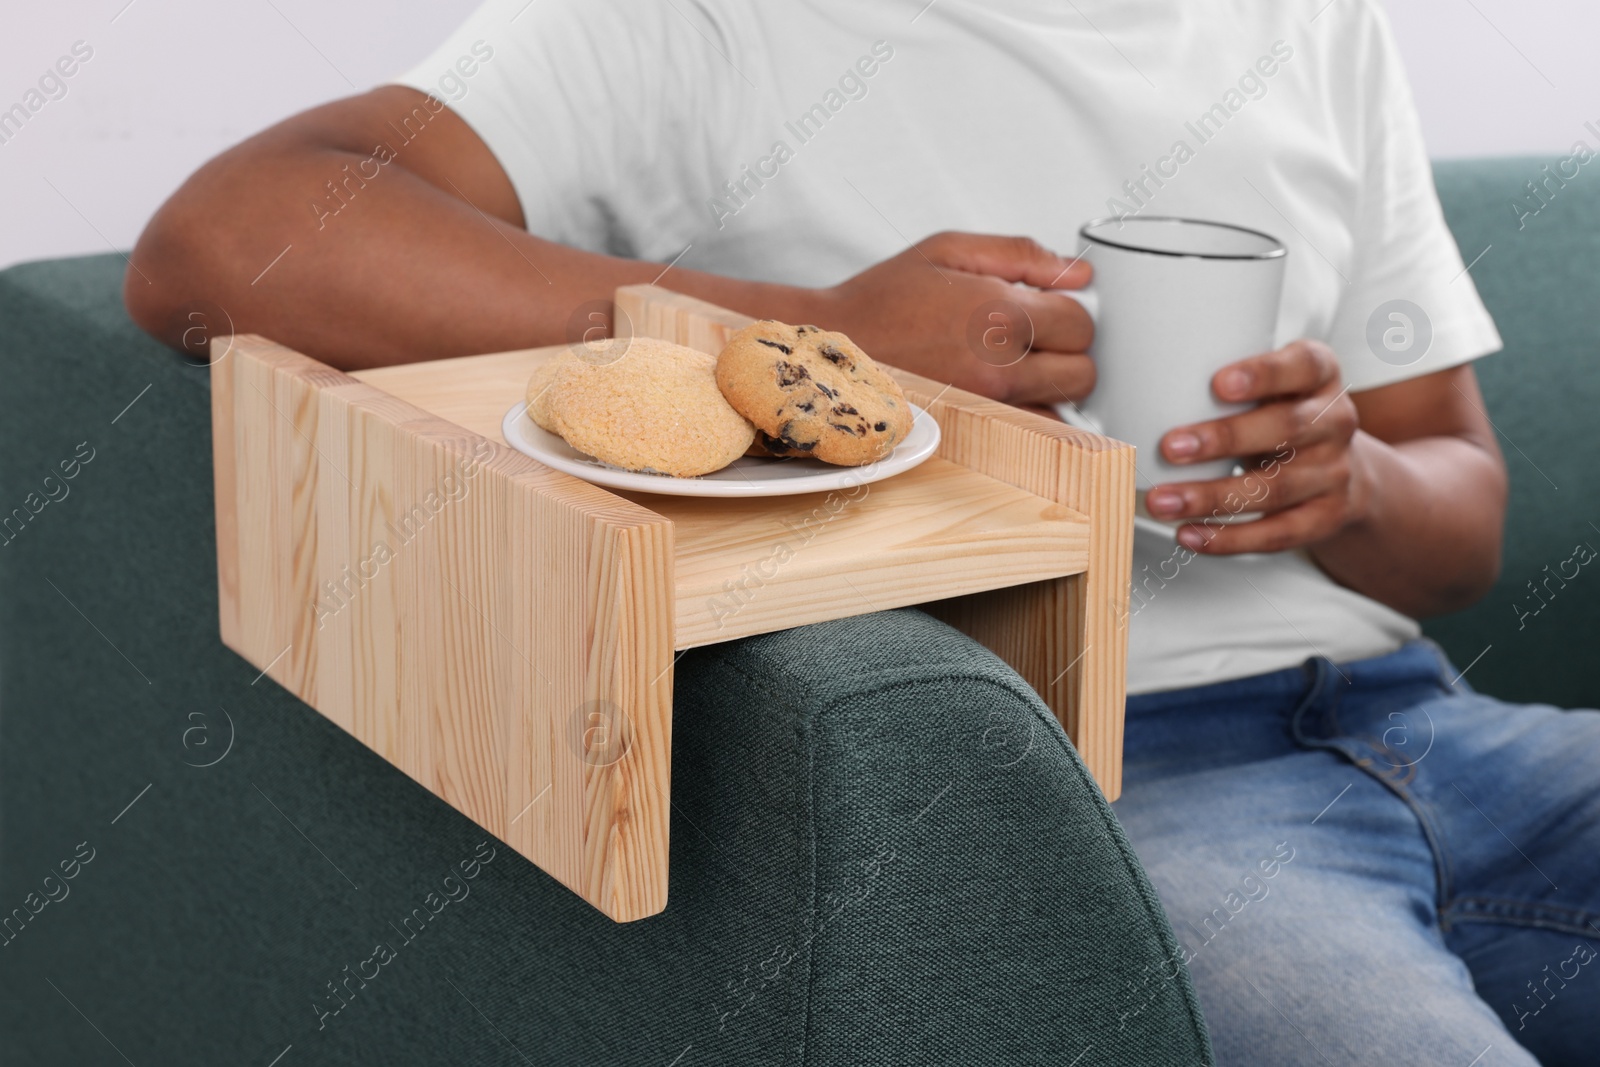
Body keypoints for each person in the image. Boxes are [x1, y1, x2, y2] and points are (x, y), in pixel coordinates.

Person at [125, 0, 1599, 1062]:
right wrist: (820, 336)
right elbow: (221, 242)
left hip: (1437, 728)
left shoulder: (1314, 24)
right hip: (1091, 778)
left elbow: (1458, 516)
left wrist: (1357, 486)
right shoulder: (699, 29)